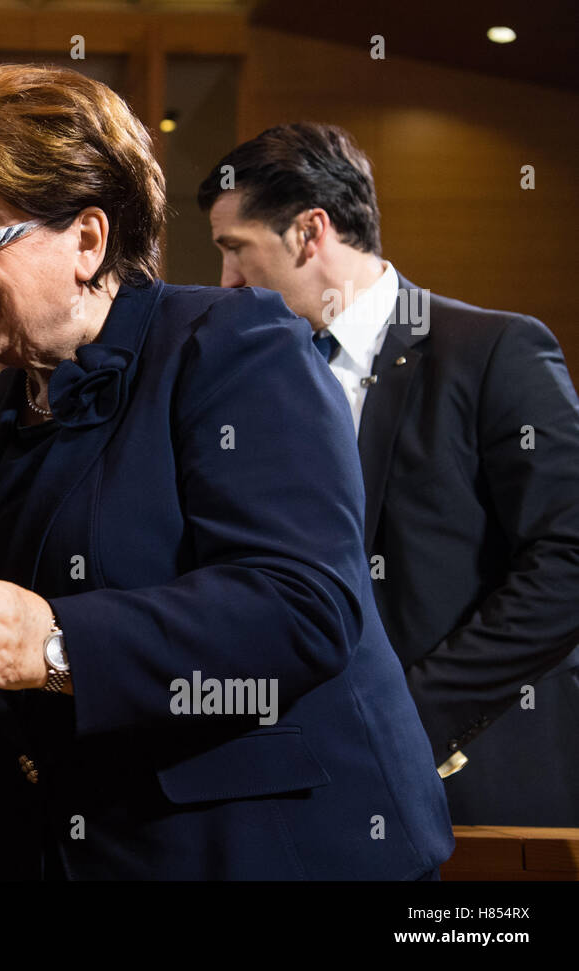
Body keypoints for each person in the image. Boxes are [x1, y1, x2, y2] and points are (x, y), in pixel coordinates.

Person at [0, 63, 454, 880]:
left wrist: (59, 643)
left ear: (88, 238)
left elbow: (304, 603)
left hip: (267, 851)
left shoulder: (231, 343)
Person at [198, 123, 579, 826]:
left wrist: (411, 719)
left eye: (234, 249)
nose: (225, 281)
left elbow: (568, 561)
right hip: (305, 796)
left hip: (481, 785)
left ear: (310, 233)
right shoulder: (253, 385)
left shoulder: (496, 351)